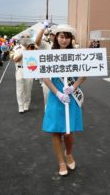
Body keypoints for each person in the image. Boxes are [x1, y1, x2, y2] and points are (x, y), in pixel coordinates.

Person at [42, 24, 86, 176]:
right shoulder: (49, 54)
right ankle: (61, 162)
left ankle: (69, 154)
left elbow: (84, 75)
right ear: (56, 37)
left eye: (67, 37)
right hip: (56, 97)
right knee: (55, 131)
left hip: (71, 96)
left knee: (68, 131)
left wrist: (73, 87)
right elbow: (45, 77)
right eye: (61, 36)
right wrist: (57, 93)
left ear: (71, 39)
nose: (64, 40)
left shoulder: (77, 54)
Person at [13, 32, 35, 113]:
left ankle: (26, 105)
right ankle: (20, 106)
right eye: (24, 37)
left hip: (29, 69)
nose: (26, 39)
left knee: (28, 89)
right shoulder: (17, 48)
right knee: (20, 90)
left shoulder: (33, 47)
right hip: (20, 69)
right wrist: (24, 51)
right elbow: (15, 59)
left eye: (28, 37)